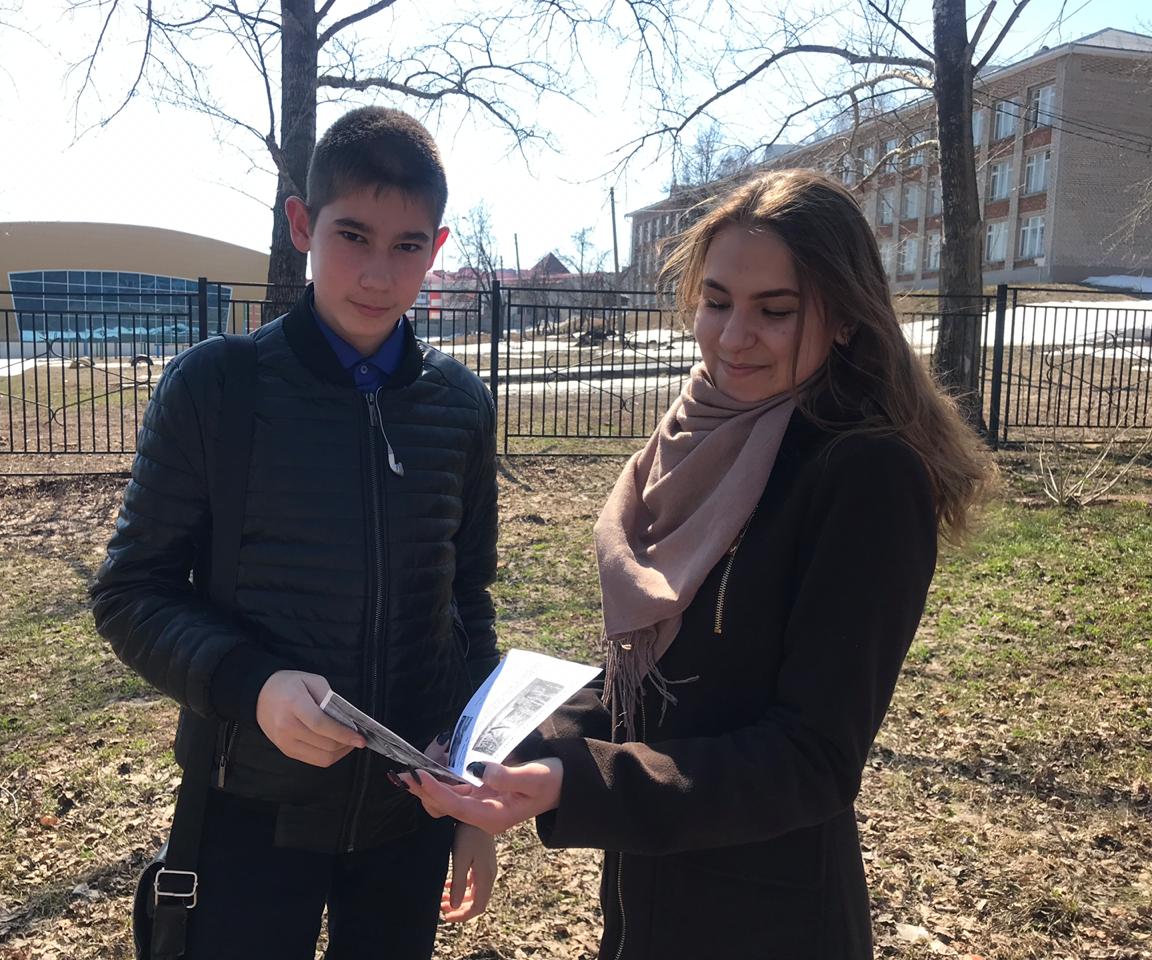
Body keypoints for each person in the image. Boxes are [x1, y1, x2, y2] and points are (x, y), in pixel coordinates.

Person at [404, 169, 992, 959]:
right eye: (717, 302)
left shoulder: (865, 474)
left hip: (768, 921)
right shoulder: (693, 437)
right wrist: (515, 745)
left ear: (847, 317)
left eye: (775, 310)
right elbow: (655, 687)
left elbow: (812, 759)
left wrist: (578, 782)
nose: (733, 336)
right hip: (647, 901)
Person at [90, 106, 500, 960]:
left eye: (407, 245)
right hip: (247, 807)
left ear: (437, 246)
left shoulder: (461, 406)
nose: (379, 274)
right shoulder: (217, 387)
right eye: (353, 236)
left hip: (410, 810)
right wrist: (254, 685)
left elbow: (468, 603)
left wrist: (470, 789)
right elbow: (131, 593)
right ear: (303, 225)